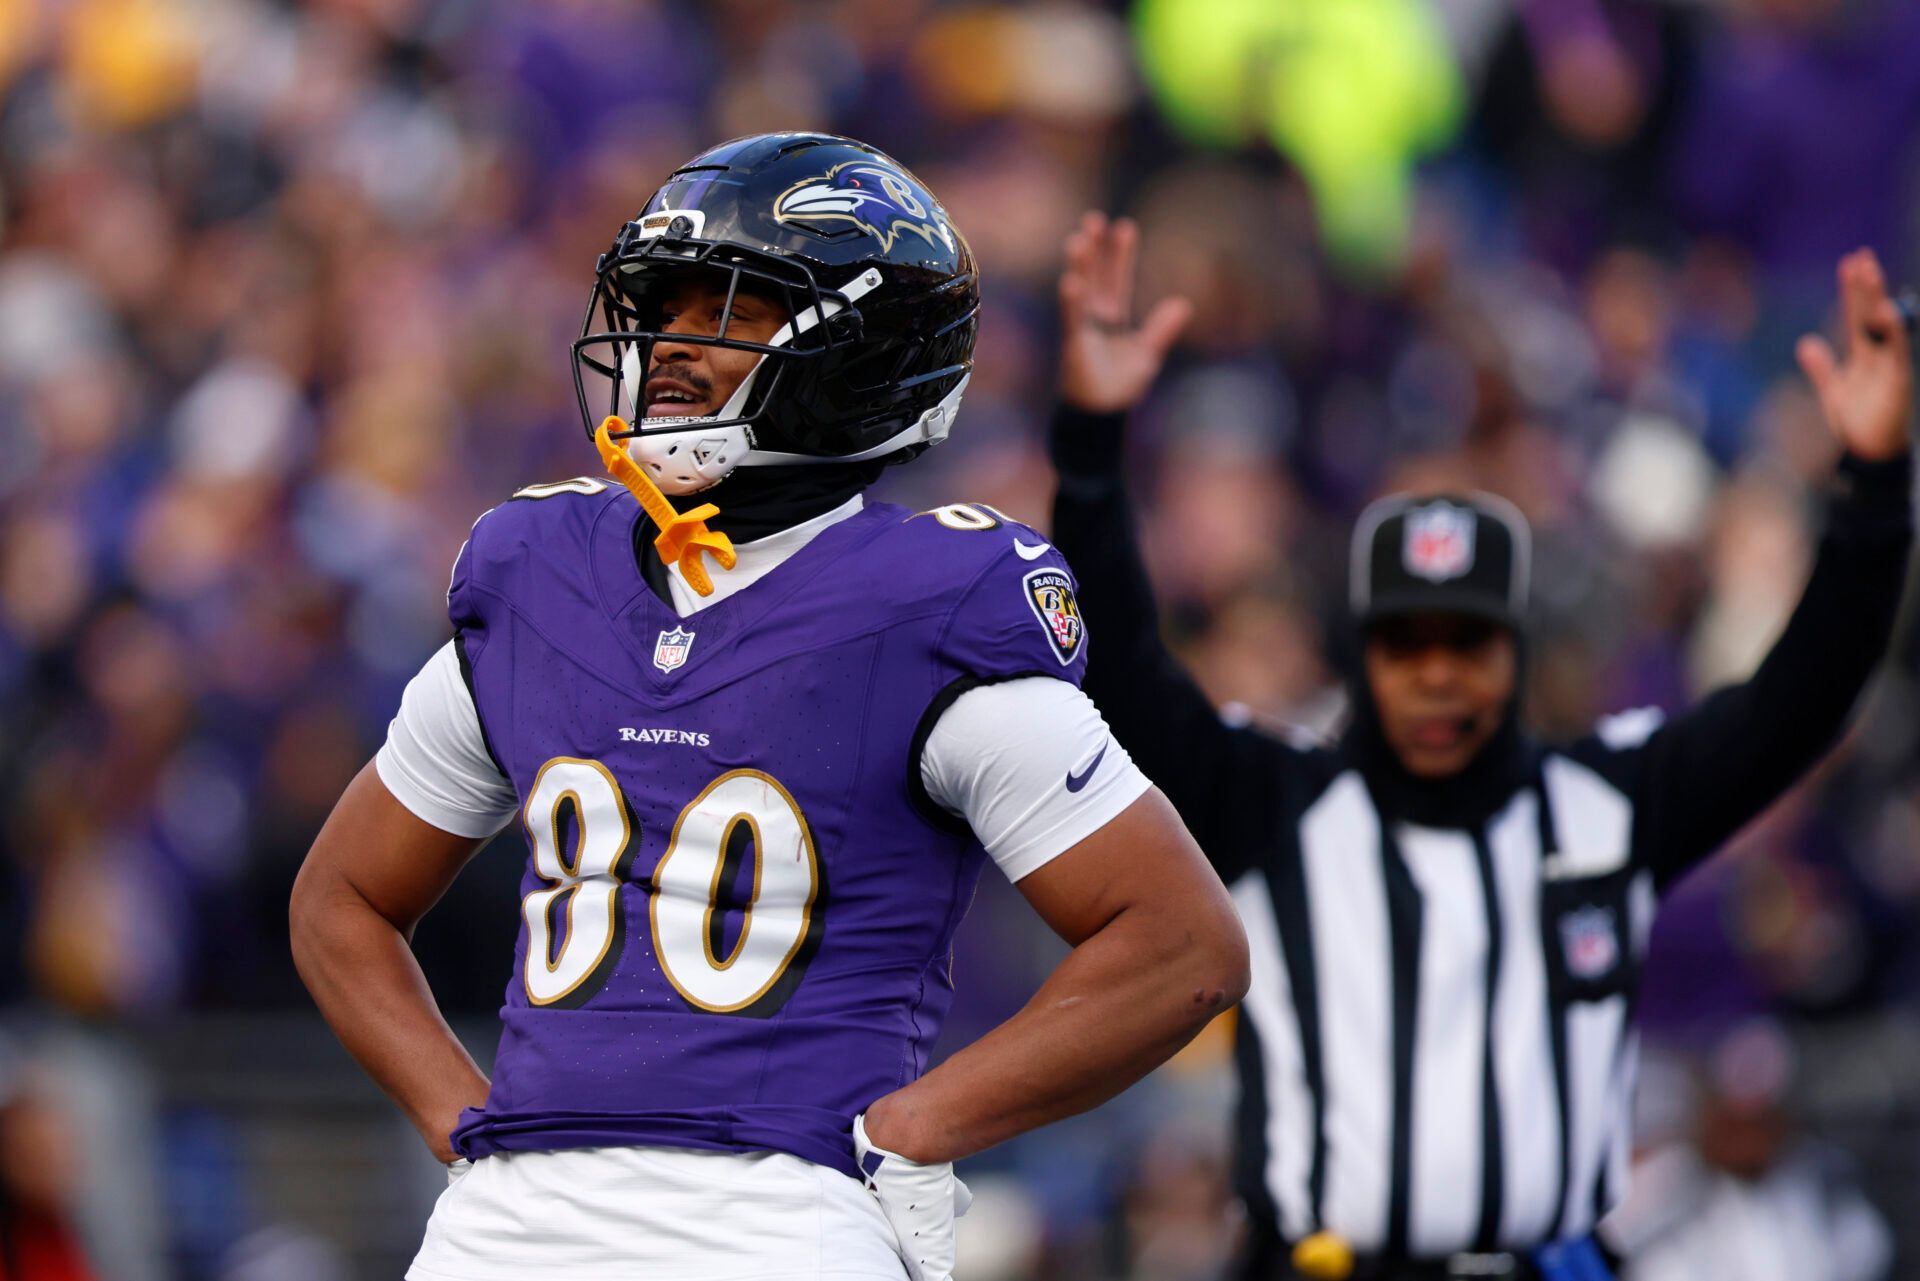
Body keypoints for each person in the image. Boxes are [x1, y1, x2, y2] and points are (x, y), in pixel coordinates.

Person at [289, 135, 1250, 1281]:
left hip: (775, 1214)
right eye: (666, 308)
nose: (672, 349)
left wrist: (917, 1125)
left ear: (857, 355)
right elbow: (342, 898)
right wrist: (468, 1127)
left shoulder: (928, 606)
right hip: (515, 1220)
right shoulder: (540, 574)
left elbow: (1181, 945)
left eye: (729, 313)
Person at [1046, 212, 1914, 1280]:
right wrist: (1089, 447)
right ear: (1363, 657)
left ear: (1516, 654)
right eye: (1406, 643)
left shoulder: (1608, 807)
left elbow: (1801, 700)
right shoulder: (1274, 804)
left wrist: (1873, 487)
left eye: (1468, 641)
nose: (1439, 673)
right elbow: (1124, 672)